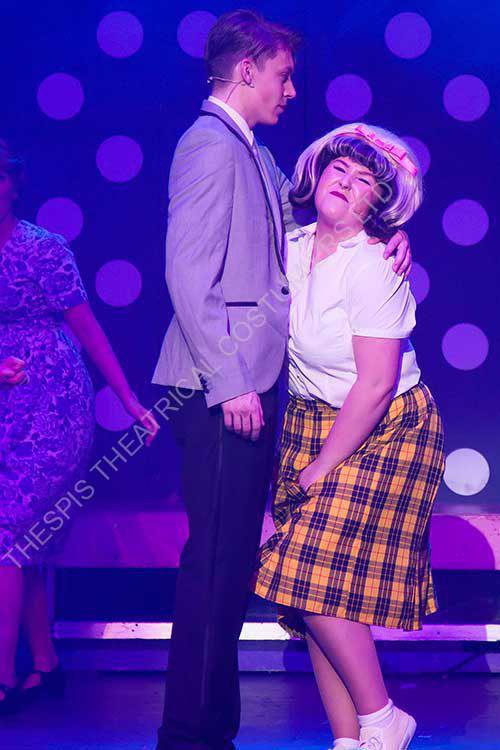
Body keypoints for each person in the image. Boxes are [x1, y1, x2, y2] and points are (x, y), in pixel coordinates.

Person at [152, 11, 412, 750]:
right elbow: (188, 273)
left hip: (244, 385)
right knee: (216, 566)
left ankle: (210, 730)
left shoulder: (250, 150)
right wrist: (231, 382)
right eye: (283, 75)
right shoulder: (209, 146)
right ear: (246, 72)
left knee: (231, 565)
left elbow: (316, 230)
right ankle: (191, 737)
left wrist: (394, 236)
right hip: (220, 388)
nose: (291, 89)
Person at [253, 123, 445, 750]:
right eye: (340, 168)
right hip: (309, 420)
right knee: (318, 596)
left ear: (378, 206)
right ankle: (352, 739)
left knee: (304, 571)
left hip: (386, 428)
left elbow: (377, 384)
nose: (346, 182)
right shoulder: (292, 244)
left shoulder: (374, 266)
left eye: (365, 181)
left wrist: (320, 466)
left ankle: (385, 719)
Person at [0, 140, 159, 714]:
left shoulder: (43, 250)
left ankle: (2, 680)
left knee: (7, 531)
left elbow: (88, 329)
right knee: (26, 541)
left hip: (51, 403)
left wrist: (128, 398)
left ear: (13, 184)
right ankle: (45, 664)